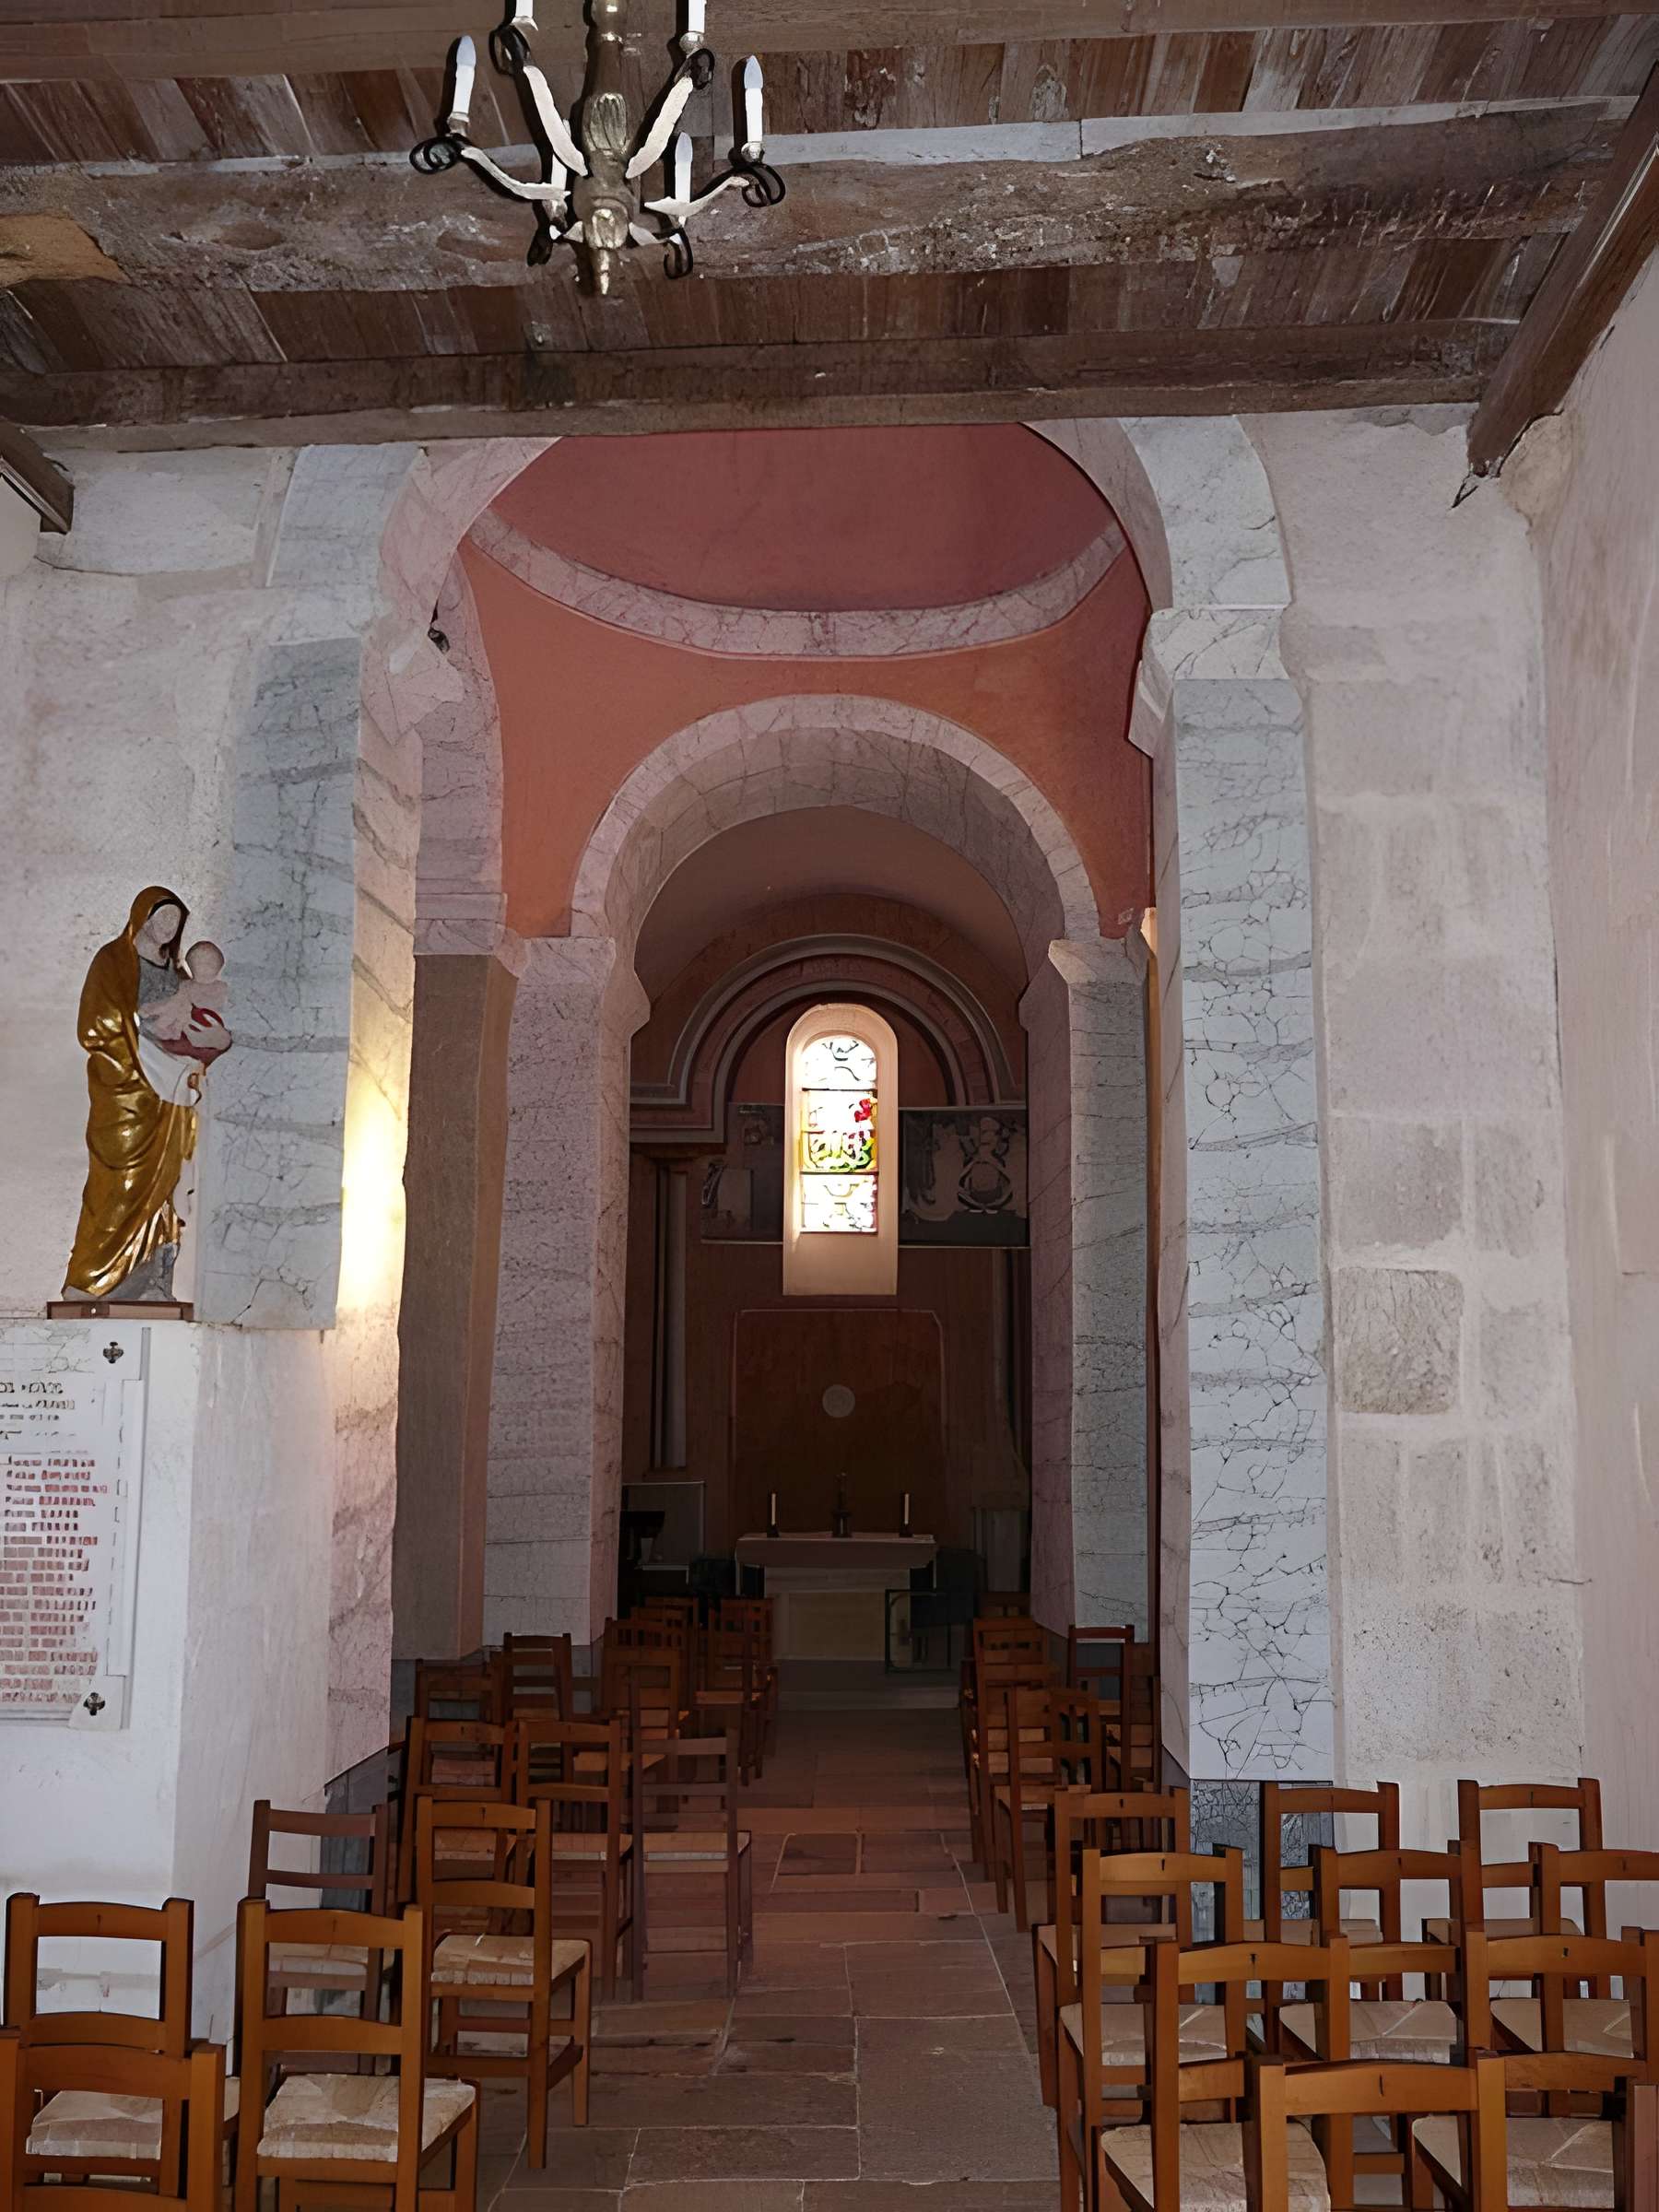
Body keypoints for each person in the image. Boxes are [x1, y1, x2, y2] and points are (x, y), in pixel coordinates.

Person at [62, 887, 200, 1303]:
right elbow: (95, 1023)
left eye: (175, 922)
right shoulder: (112, 962)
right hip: (126, 1092)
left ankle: (151, 1282)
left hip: (169, 1098)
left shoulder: (180, 978)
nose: (167, 927)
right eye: (161, 918)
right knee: (117, 1187)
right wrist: (143, 1046)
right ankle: (91, 1281)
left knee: (166, 1186)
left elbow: (193, 1022)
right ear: (141, 917)